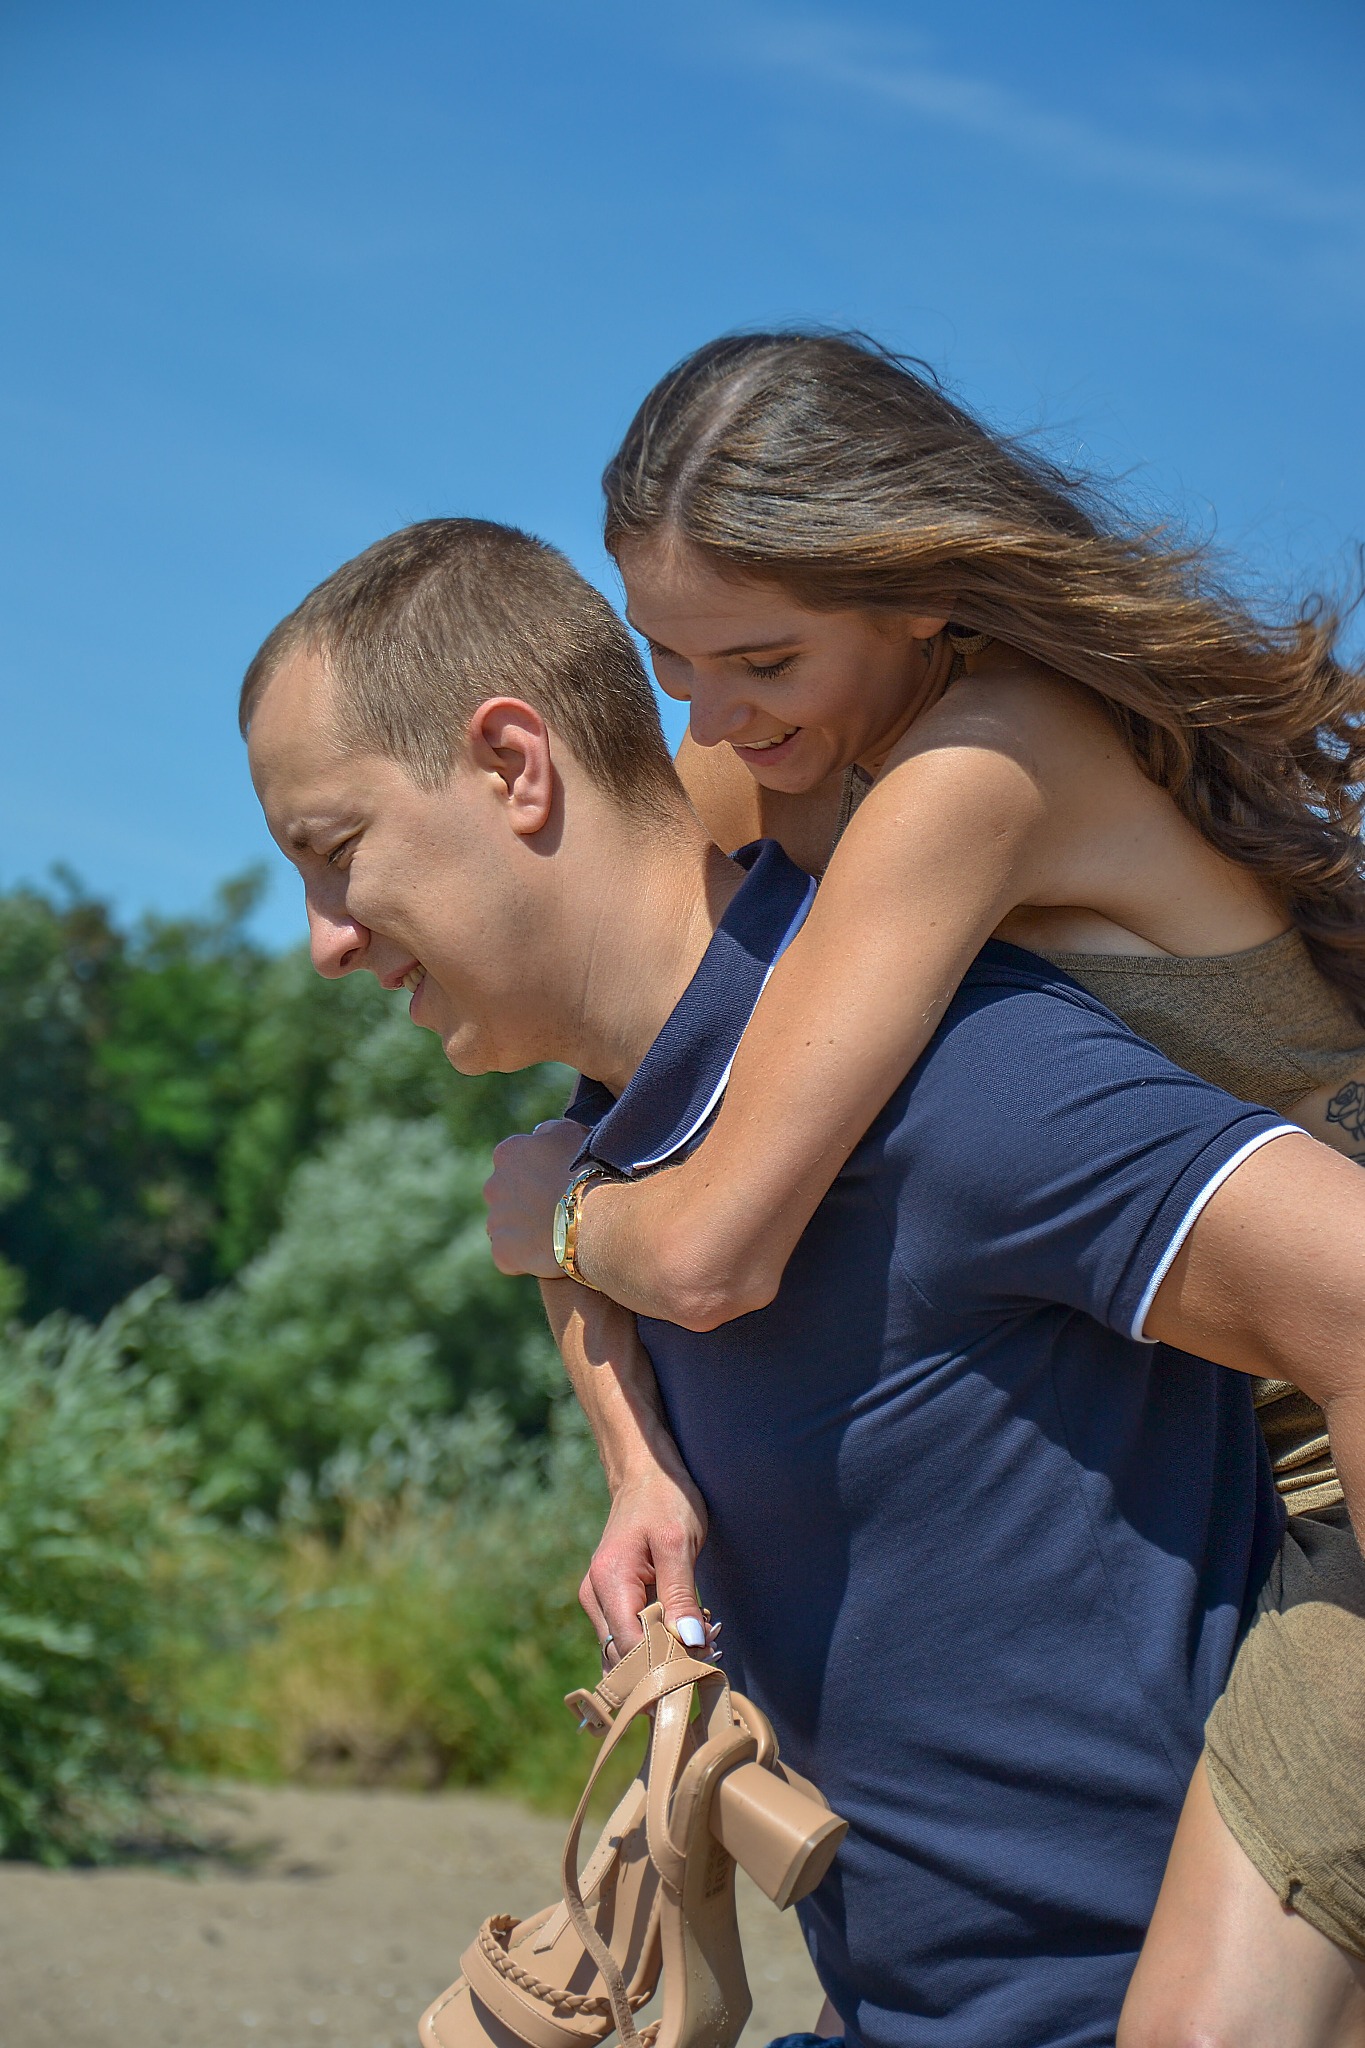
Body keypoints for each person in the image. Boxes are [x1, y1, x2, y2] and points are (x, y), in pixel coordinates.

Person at [243, 516, 1365, 2048]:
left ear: (515, 767)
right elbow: (579, 1213)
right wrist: (634, 1458)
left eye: (334, 855)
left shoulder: (959, 1079)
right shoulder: (618, 1136)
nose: (321, 941)